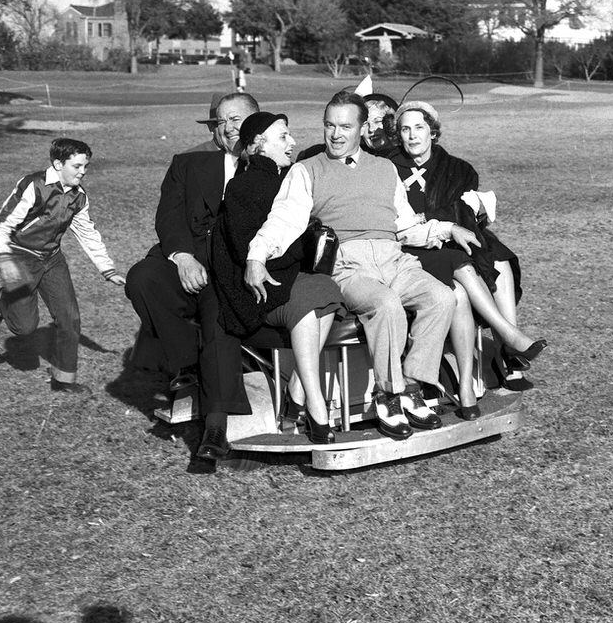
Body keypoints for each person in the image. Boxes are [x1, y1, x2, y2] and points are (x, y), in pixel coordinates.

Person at [245, 92, 456, 439]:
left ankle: (413, 386)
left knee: (442, 297)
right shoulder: (306, 169)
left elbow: (404, 226)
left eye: (345, 126)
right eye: (330, 125)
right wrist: (256, 256)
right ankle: (387, 395)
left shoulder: (385, 168)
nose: (336, 134)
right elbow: (283, 220)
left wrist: (447, 229)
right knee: (385, 305)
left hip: (394, 258)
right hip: (348, 265)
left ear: (362, 129)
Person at [126, 91, 260, 462]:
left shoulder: (272, 165)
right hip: (187, 259)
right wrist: (183, 258)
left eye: (237, 119)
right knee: (143, 277)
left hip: (234, 271)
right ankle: (185, 366)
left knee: (220, 318)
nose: (228, 128)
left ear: (256, 122)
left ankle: (216, 427)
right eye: (221, 121)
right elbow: (168, 217)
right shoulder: (188, 163)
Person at [387, 101, 546, 412]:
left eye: (419, 127)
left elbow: (464, 211)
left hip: (447, 243)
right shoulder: (388, 167)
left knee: (498, 259)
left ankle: (500, 356)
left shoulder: (455, 169)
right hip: (410, 247)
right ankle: (503, 344)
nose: (412, 135)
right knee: (458, 287)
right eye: (405, 129)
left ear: (433, 132)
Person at [210, 112, 344, 444]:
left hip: (286, 282)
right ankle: (316, 407)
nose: (292, 142)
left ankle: (298, 392)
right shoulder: (246, 186)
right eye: (282, 137)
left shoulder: (281, 179)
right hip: (257, 292)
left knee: (326, 291)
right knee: (316, 296)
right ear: (258, 144)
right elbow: (250, 253)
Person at [0, 137, 127, 393]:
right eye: (77, 166)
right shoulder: (34, 185)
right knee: (24, 327)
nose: (83, 172)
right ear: (58, 164)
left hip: (52, 259)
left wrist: (108, 269)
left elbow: (87, 233)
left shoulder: (79, 196)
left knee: (69, 318)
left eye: (86, 166)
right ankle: (1, 302)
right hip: (21, 255)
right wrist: (5, 258)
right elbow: (1, 223)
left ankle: (63, 380)